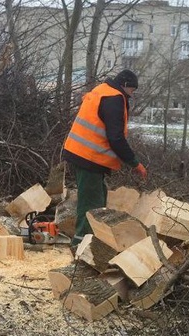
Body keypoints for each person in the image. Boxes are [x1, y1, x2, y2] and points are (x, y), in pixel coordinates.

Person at [62, 69, 147, 250]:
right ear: (125, 85)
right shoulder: (114, 99)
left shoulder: (102, 90)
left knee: (98, 197)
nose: (132, 95)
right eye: (132, 90)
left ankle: (91, 241)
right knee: (91, 205)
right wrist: (134, 163)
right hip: (89, 157)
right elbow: (116, 138)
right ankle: (81, 246)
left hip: (83, 154)